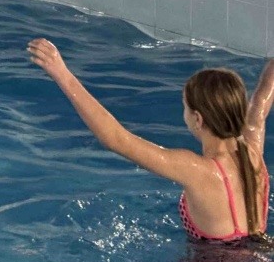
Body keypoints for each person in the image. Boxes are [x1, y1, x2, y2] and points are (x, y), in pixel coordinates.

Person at [28, 38, 274, 241]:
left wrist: (61, 73)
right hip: (259, 257)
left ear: (198, 118)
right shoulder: (253, 151)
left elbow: (116, 139)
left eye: (185, 107)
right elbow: (261, 98)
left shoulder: (197, 170)